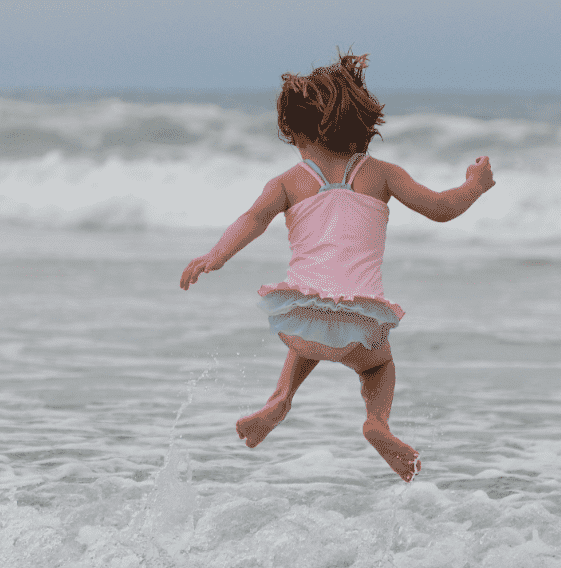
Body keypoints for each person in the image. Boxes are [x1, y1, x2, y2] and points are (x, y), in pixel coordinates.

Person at [179, 52, 495, 482]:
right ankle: (377, 423)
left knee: (311, 322)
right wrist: (474, 186)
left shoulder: (288, 182)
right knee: (377, 367)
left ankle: (279, 401)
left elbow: (252, 220)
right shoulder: (382, 173)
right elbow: (440, 209)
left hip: (298, 317)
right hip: (359, 321)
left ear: (292, 132)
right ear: (363, 125)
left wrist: (213, 256)